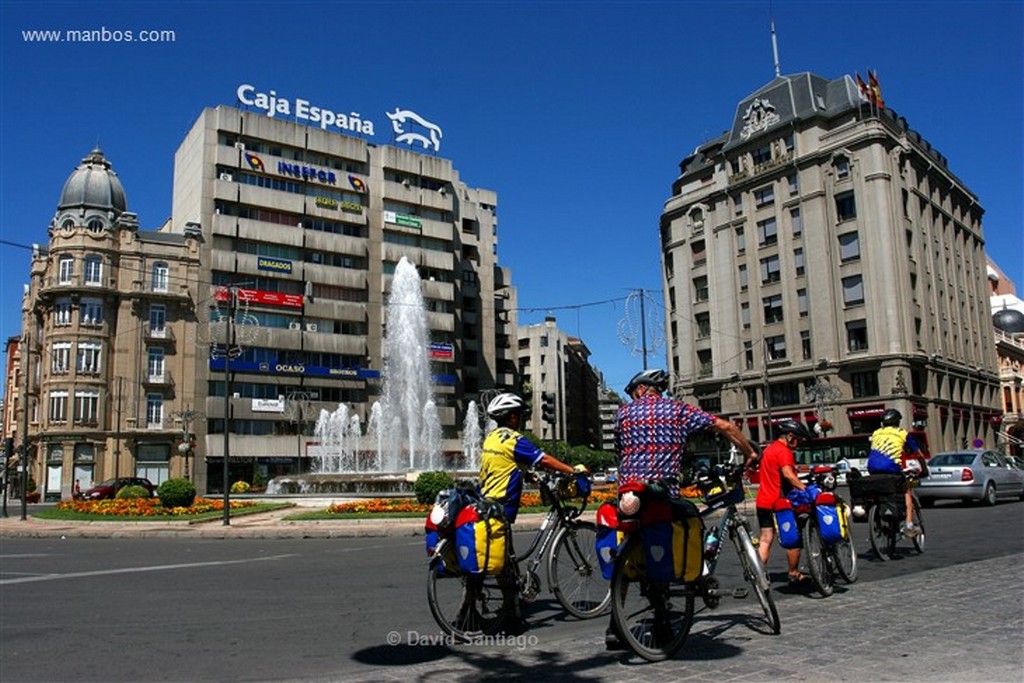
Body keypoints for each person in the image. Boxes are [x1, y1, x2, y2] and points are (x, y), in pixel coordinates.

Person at [606, 369, 758, 650]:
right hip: (663, 494)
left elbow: (619, 450)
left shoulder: (622, 414)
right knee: (676, 531)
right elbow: (725, 427)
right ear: (655, 389)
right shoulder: (678, 410)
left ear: (640, 390)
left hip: (628, 495)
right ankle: (663, 619)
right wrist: (749, 452)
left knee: (627, 551)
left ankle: (615, 627)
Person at [479, 392, 584, 523]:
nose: (521, 420)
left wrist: (527, 475)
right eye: (519, 415)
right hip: (503, 503)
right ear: (512, 417)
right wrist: (573, 470)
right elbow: (543, 459)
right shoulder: (513, 439)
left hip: (487, 501)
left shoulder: (491, 437)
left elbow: (503, 463)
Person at [753, 419, 812, 586]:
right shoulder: (784, 451)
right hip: (780, 503)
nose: (798, 444)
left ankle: (759, 573)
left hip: (763, 501)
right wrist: (804, 489)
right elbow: (788, 475)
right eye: (798, 440)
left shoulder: (768, 450)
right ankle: (793, 572)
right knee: (793, 539)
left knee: (765, 539)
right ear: (790, 436)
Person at [866, 408, 923, 537]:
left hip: (872, 468)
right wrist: (924, 468)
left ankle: (877, 517)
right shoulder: (902, 433)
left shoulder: (875, 433)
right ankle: (908, 525)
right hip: (892, 468)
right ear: (897, 422)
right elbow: (918, 454)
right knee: (906, 490)